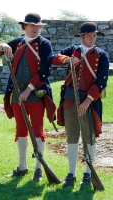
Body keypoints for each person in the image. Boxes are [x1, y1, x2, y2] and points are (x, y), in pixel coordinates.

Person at [0, 13, 56, 182]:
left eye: (38, 26)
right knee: (21, 131)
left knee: (37, 131)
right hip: (16, 95)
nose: (35, 28)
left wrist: (28, 89)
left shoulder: (44, 44)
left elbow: (45, 71)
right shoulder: (17, 42)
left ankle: (38, 169)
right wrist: (1, 46)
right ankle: (22, 167)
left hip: (35, 94)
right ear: (24, 26)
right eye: (32, 25)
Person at [47, 22, 109, 187]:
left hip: (89, 104)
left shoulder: (101, 55)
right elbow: (51, 57)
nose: (92, 38)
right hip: (69, 102)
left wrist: (88, 101)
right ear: (81, 37)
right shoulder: (72, 50)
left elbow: (102, 81)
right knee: (71, 139)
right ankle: (71, 173)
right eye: (89, 35)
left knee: (89, 140)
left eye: (94, 35)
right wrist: (67, 60)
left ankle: (88, 174)